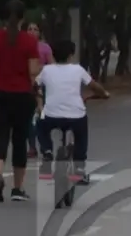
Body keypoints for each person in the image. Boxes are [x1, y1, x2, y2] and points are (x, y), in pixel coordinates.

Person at [0, 0, 40, 202]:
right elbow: (33, 72)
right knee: (20, 140)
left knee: (0, 136)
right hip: (22, 95)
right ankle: (17, 187)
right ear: (23, 18)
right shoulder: (29, 41)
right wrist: (36, 92)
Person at [35, 40, 110, 184]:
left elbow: (35, 85)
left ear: (53, 55)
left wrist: (39, 99)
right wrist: (104, 93)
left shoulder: (46, 70)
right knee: (81, 135)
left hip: (50, 115)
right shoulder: (78, 69)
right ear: (71, 55)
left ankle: (47, 152)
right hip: (76, 116)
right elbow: (94, 86)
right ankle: (79, 167)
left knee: (40, 123)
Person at [26, 21, 54, 158]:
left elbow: (52, 65)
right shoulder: (21, 47)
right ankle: (32, 147)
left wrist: (40, 68)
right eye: (29, 29)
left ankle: (45, 147)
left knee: (42, 116)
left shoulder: (44, 47)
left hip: (42, 85)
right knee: (27, 118)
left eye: (35, 29)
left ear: (39, 32)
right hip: (25, 85)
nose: (32, 31)